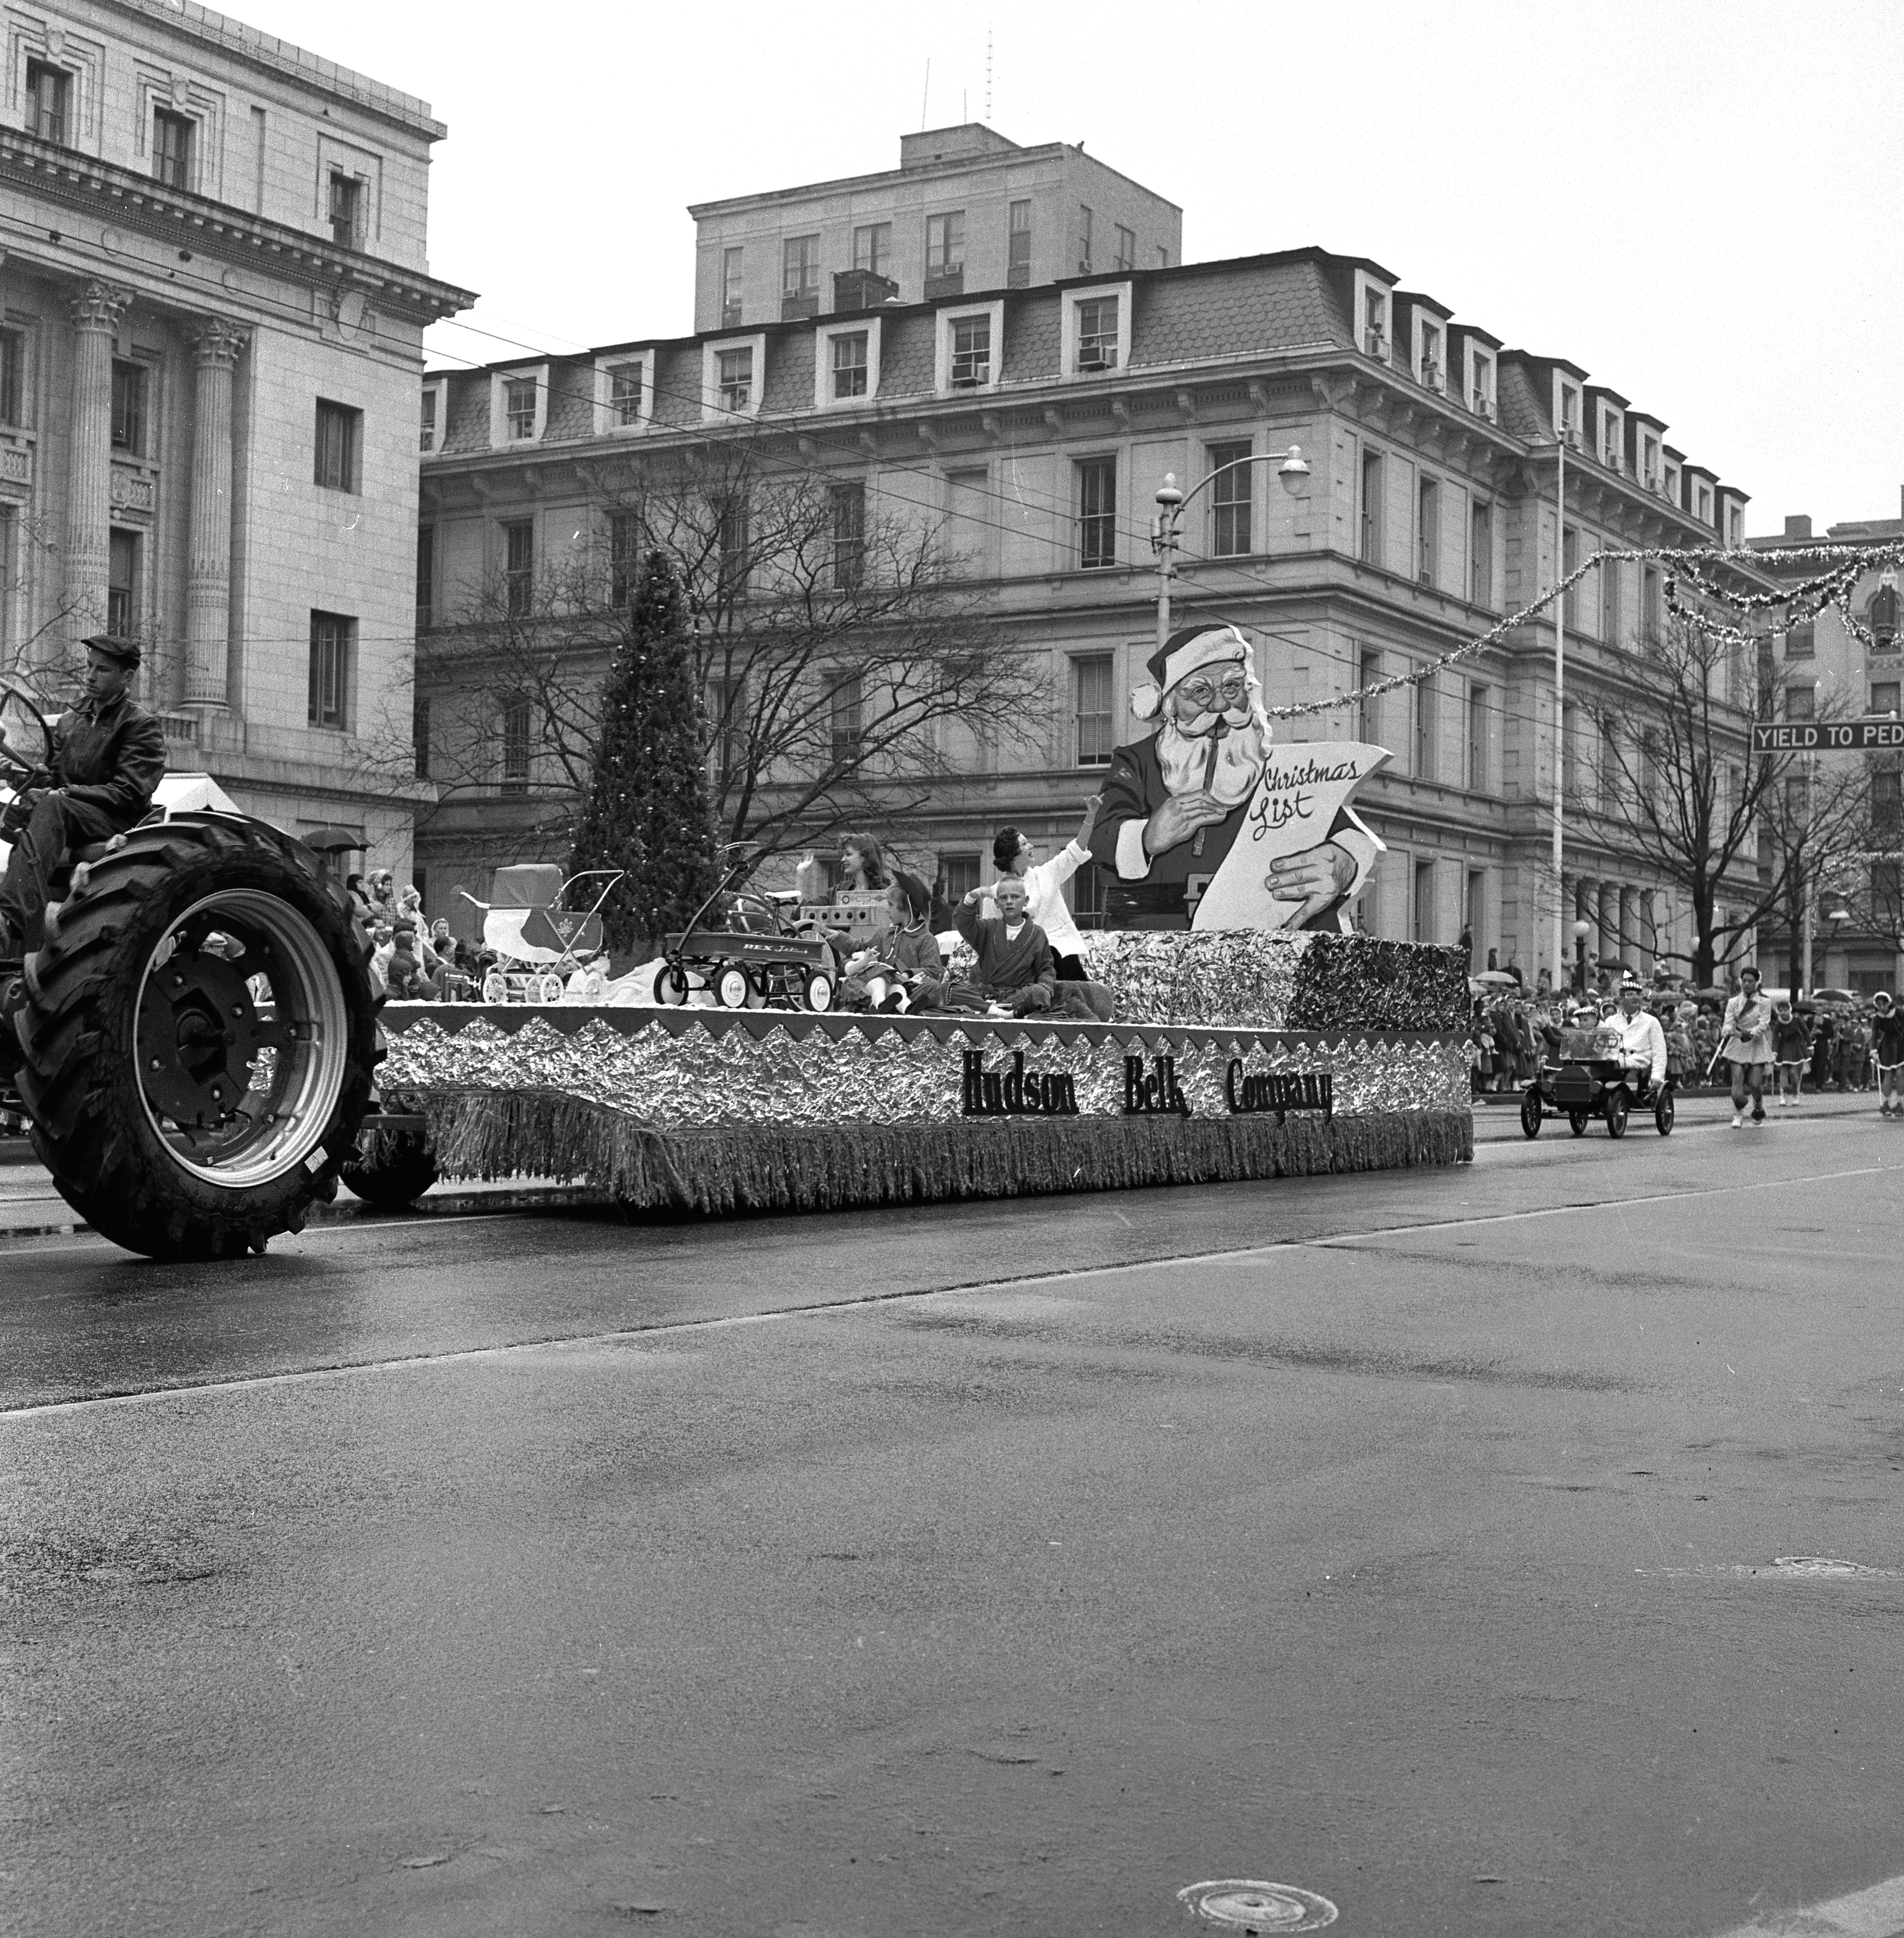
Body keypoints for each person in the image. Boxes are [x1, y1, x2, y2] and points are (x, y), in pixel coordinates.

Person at [1087, 622, 1376, 931]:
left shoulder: (1279, 769)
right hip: (1158, 937)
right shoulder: (1137, 762)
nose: (1221, 705)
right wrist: (1147, 837)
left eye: (1231, 688)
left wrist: (1346, 860)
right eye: (1200, 692)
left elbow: (1344, 830)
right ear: (1170, 706)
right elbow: (1098, 837)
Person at [0, 633, 166, 957]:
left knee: (53, 806)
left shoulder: (140, 725)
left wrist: (64, 792)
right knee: (14, 812)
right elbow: (55, 776)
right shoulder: (69, 721)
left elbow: (129, 792)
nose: (90, 676)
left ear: (127, 676)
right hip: (71, 811)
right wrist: (19, 775)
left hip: (117, 820)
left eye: (102, 670)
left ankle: (8, 921)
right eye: (89, 667)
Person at [990, 798, 1100, 981]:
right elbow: (994, 939)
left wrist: (1091, 815)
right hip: (1027, 962)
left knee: (1078, 988)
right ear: (1014, 855)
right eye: (1025, 844)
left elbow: (1076, 851)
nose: (1031, 846)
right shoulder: (997, 893)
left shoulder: (1046, 874)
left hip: (1063, 951)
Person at [944, 873, 1055, 1016]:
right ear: (997, 903)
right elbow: (963, 923)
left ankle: (997, 1010)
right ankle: (1001, 1013)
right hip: (987, 996)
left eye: (1015, 897)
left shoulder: (1037, 934)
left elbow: (1046, 969)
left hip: (1019, 997)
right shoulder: (988, 928)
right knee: (948, 989)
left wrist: (1044, 987)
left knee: (1038, 993)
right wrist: (975, 894)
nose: (1009, 902)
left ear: (1026, 901)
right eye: (1004, 898)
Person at [1719, 966, 1773, 1128]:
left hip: (1756, 1043)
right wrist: (1727, 1031)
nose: (1747, 984)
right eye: (1744, 981)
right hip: (1737, 1044)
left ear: (1757, 983)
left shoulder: (1765, 1002)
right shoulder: (1733, 1002)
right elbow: (1728, 1022)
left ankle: (1758, 1108)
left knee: (1755, 1084)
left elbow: (1764, 1024)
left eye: (1751, 981)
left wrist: (1749, 1033)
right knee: (1737, 1082)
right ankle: (1738, 1114)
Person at [1602, 974, 1668, 1094]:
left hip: (1639, 1067)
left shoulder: (1651, 1022)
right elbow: (1602, 1046)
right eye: (1630, 995)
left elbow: (1660, 1052)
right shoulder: (1610, 1021)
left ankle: (1625, 1099)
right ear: (1621, 999)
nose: (1635, 998)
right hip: (1614, 1066)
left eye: (1638, 995)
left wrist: (1657, 1077)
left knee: (1630, 1080)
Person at [1770, 998, 1810, 1108]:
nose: (1783, 1013)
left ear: (1790, 1010)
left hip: (1797, 1048)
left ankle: (1796, 1095)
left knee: (1793, 1073)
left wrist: (1810, 1046)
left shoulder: (1797, 1020)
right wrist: (1775, 1052)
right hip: (1784, 1048)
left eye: (1785, 1010)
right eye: (1781, 1010)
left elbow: (1806, 1032)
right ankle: (1783, 1097)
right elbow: (1775, 1038)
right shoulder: (1779, 1024)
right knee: (1783, 1073)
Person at [1871, 992, 1904, 1117]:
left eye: (1884, 1004)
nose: (1882, 1007)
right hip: (1888, 1045)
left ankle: (1900, 1104)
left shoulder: (1899, 1012)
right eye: (1879, 1005)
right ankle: (1886, 1104)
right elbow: (1874, 1035)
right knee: (1888, 1075)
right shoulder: (1877, 1018)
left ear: (1888, 1003)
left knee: (1901, 1074)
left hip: (1902, 1043)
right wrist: (1873, 1051)